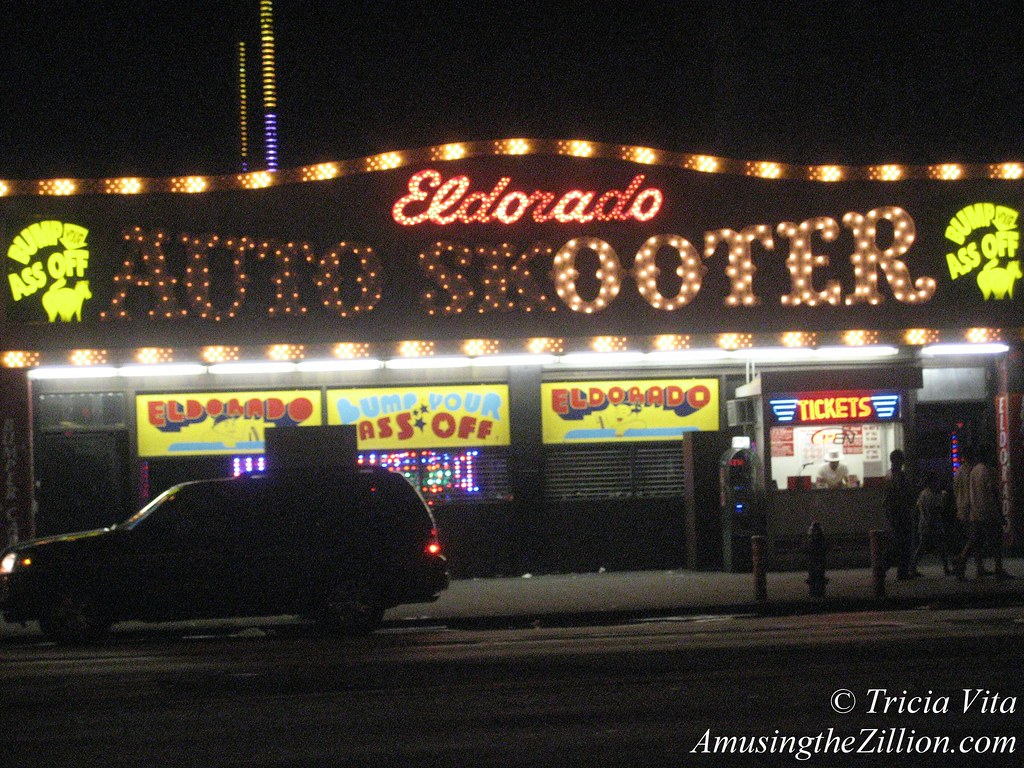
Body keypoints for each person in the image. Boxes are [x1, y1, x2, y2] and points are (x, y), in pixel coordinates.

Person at [960, 445, 1013, 580]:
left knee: (974, 541)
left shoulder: (973, 471)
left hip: (975, 511)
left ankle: (962, 565)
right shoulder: (989, 471)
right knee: (996, 541)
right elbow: (994, 493)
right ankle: (999, 569)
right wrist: (1000, 513)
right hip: (989, 511)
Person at [883, 449, 918, 580]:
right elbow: (903, 494)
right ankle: (889, 567)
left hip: (893, 513)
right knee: (903, 543)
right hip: (900, 513)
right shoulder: (899, 476)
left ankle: (888, 567)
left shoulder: (888, 474)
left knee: (898, 543)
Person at [912, 470, 950, 575]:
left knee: (922, 547)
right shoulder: (934, 495)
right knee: (941, 547)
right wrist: (944, 499)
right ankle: (946, 568)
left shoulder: (923, 494)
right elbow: (938, 509)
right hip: (934, 525)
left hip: (924, 524)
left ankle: (913, 566)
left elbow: (918, 508)